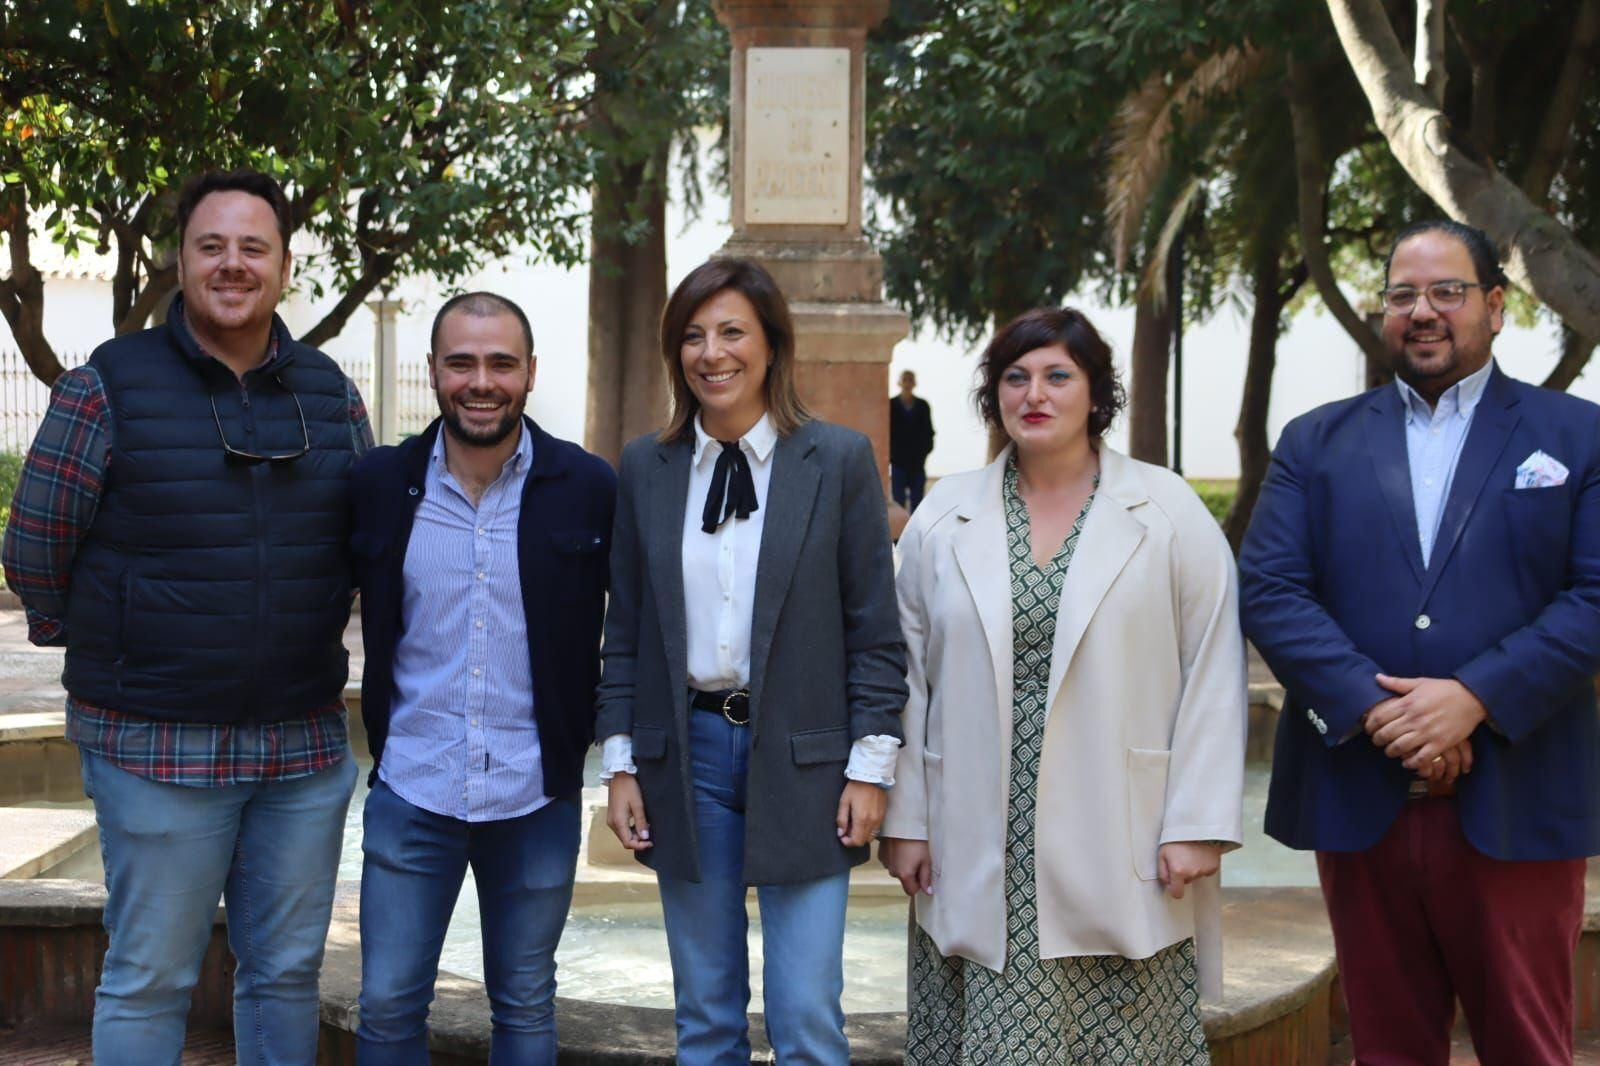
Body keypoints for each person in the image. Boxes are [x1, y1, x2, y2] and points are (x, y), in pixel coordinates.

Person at [1, 168, 369, 1064]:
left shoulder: (330, 395)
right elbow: (35, 550)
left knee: (284, 974)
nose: (233, 264)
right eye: (213, 246)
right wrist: (103, 640)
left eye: (254, 247)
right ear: (181, 260)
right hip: (153, 750)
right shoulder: (106, 387)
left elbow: (361, 547)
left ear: (284, 266)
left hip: (302, 753)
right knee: (150, 977)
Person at [1238, 220, 1600, 1065]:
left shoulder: (1577, 436)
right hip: (1360, 794)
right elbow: (1272, 588)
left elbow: (1594, 594)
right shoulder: (1314, 441)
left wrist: (1473, 700)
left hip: (1521, 795)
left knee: (1526, 1045)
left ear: (1497, 306)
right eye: (1403, 295)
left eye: (1447, 291)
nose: (1422, 311)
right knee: (1388, 1048)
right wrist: (1380, 712)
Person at [880, 307, 1246, 1064]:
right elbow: (906, 676)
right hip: (975, 835)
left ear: (1094, 393)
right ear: (994, 395)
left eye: (1057, 376)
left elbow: (1214, 666)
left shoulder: (1167, 510)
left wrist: (1196, 823)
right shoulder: (945, 514)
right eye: (1015, 377)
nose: (1034, 394)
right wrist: (906, 818)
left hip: (1120, 828)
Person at [596, 256, 907, 1063]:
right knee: (705, 1019)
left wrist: (870, 767)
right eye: (693, 337)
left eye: (732, 331)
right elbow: (624, 631)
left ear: (771, 345)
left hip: (806, 760)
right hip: (686, 759)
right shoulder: (646, 467)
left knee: (806, 1018)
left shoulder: (836, 462)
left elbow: (875, 630)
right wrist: (622, 765)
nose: (712, 353)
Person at [348, 293, 615, 1062]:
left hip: (534, 795)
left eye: (501, 362)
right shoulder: (381, 483)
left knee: (527, 1005)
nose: (481, 380)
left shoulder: (587, 486)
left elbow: (629, 634)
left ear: (530, 372)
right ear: (434, 370)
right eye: (461, 362)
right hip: (413, 788)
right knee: (389, 1004)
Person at [890, 369, 935, 513]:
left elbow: (929, 432)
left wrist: (924, 452)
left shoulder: (922, 406)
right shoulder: (891, 405)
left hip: (917, 462)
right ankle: (899, 535)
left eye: (910, 380)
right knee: (898, 503)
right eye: (905, 380)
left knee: (918, 503)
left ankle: (916, 534)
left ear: (914, 383)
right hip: (898, 463)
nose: (907, 383)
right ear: (899, 382)